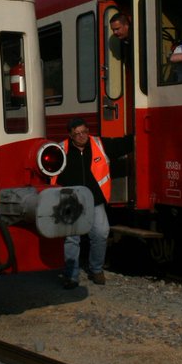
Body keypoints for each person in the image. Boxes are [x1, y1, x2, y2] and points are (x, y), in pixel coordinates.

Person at [54, 117, 111, 289]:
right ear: (70, 136)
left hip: (95, 200)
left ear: (88, 130)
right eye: (77, 134)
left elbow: (123, 144)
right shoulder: (61, 150)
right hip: (71, 202)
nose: (81, 136)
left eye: (84, 132)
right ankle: (71, 276)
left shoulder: (98, 144)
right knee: (72, 238)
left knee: (101, 234)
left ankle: (96, 269)